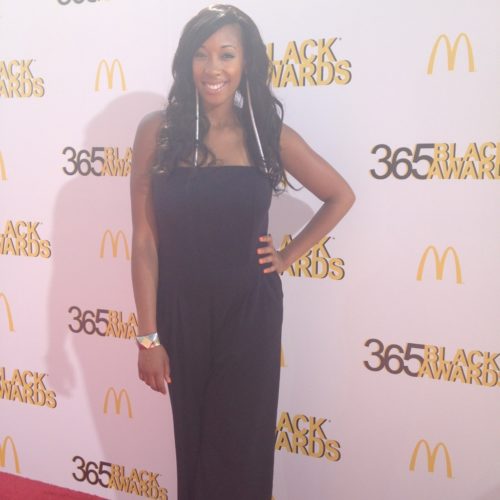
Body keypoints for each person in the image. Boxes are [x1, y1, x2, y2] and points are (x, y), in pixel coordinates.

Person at [130, 4, 355, 499]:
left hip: (250, 312)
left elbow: (340, 195)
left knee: (241, 447)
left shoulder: (265, 133)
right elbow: (144, 241)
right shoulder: (156, 132)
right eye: (202, 54)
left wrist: (287, 256)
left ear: (245, 62)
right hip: (181, 312)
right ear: (186, 61)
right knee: (194, 444)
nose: (213, 68)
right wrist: (148, 338)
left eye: (227, 54)